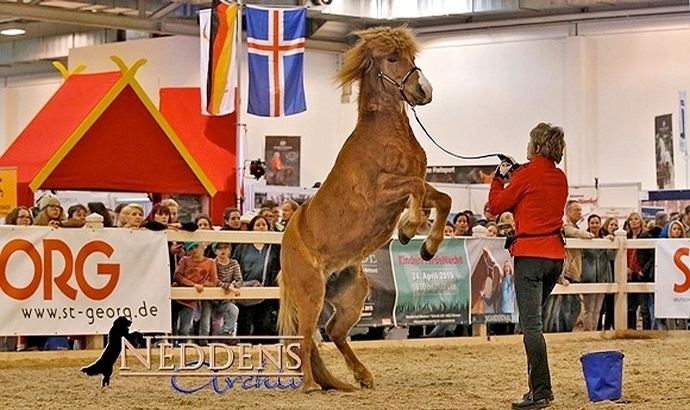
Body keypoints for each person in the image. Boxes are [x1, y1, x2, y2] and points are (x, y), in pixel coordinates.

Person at [488, 122, 568, 410]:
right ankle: (537, 388)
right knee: (535, 323)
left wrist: (499, 178)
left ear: (535, 147)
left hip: (530, 257)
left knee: (530, 326)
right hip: (555, 257)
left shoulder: (527, 175)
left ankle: (541, 392)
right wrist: (519, 171)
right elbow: (535, 189)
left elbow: (497, 206)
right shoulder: (560, 177)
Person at [232, 215, 281, 341]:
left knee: (265, 325)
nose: (261, 228)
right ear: (252, 228)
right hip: (245, 290)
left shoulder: (274, 247)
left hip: (267, 291)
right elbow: (235, 263)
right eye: (258, 225)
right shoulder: (242, 247)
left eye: (263, 225)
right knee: (245, 325)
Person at [197, 242, 242, 344]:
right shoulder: (212, 263)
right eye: (220, 248)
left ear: (230, 249)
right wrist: (228, 286)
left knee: (234, 310)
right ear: (215, 251)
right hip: (210, 298)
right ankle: (203, 342)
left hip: (225, 299)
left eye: (225, 247)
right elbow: (214, 280)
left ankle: (225, 334)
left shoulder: (234, 263)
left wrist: (233, 286)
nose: (223, 250)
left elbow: (239, 279)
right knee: (205, 321)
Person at [173, 242, 218, 341]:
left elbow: (213, 282)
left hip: (191, 300)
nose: (194, 250)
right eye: (191, 248)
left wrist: (202, 285)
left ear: (203, 246)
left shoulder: (210, 262)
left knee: (184, 329)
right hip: (178, 295)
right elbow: (177, 276)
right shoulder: (184, 260)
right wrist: (193, 285)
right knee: (173, 325)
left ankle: (182, 348)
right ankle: (174, 347)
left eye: (196, 246)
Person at [581, 214, 615, 331]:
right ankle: (587, 332)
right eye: (592, 223)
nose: (595, 225)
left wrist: (611, 245)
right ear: (588, 225)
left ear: (600, 224)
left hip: (602, 276)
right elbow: (592, 253)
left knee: (598, 309)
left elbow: (611, 256)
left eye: (597, 223)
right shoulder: (584, 239)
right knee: (589, 309)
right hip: (588, 276)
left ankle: (594, 331)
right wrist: (603, 242)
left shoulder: (606, 239)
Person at [626, 211, 654, 330]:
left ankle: (646, 332)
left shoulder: (646, 236)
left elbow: (652, 256)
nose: (633, 221)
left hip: (641, 275)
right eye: (631, 219)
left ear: (640, 221)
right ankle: (631, 331)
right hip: (628, 275)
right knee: (631, 307)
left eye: (636, 219)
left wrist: (644, 270)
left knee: (644, 307)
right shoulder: (626, 237)